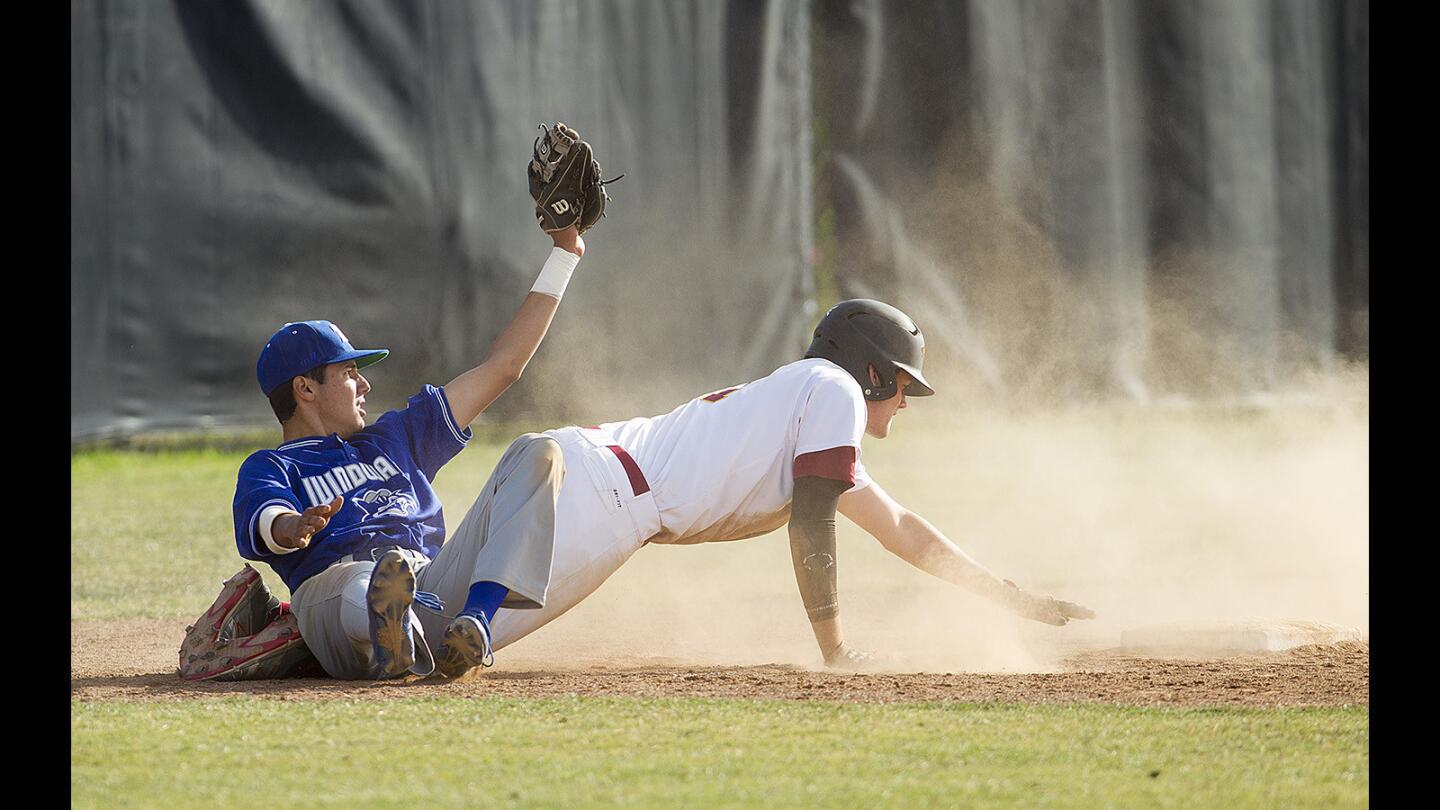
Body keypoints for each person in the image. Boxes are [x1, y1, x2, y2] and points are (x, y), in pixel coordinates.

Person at [464, 298, 1095, 672]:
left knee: (433, 621)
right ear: (872, 372)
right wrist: (835, 649)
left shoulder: (809, 399)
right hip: (603, 498)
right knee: (449, 653)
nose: (906, 401)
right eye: (904, 383)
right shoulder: (835, 390)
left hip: (567, 460)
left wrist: (1010, 597)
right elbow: (811, 519)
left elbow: (901, 530)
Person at [232, 224, 586, 680]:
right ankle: (388, 626)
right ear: (305, 388)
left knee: (538, 450)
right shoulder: (272, 466)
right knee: (362, 583)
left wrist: (565, 253)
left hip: (431, 586)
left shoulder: (396, 437)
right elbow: (269, 520)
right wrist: (294, 525)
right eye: (349, 372)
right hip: (337, 597)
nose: (365, 384)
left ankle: (472, 623)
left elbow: (503, 367)